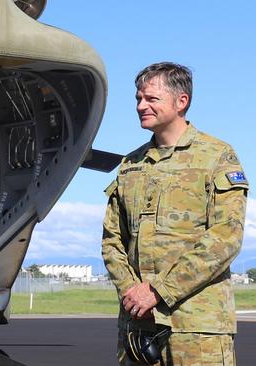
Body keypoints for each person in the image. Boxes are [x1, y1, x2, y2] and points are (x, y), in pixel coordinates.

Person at [102, 62, 248, 365]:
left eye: (151, 99)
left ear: (181, 102)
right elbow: (112, 240)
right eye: (138, 99)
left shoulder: (217, 156)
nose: (141, 106)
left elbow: (225, 237)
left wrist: (158, 290)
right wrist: (132, 291)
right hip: (138, 326)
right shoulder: (130, 164)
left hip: (197, 329)